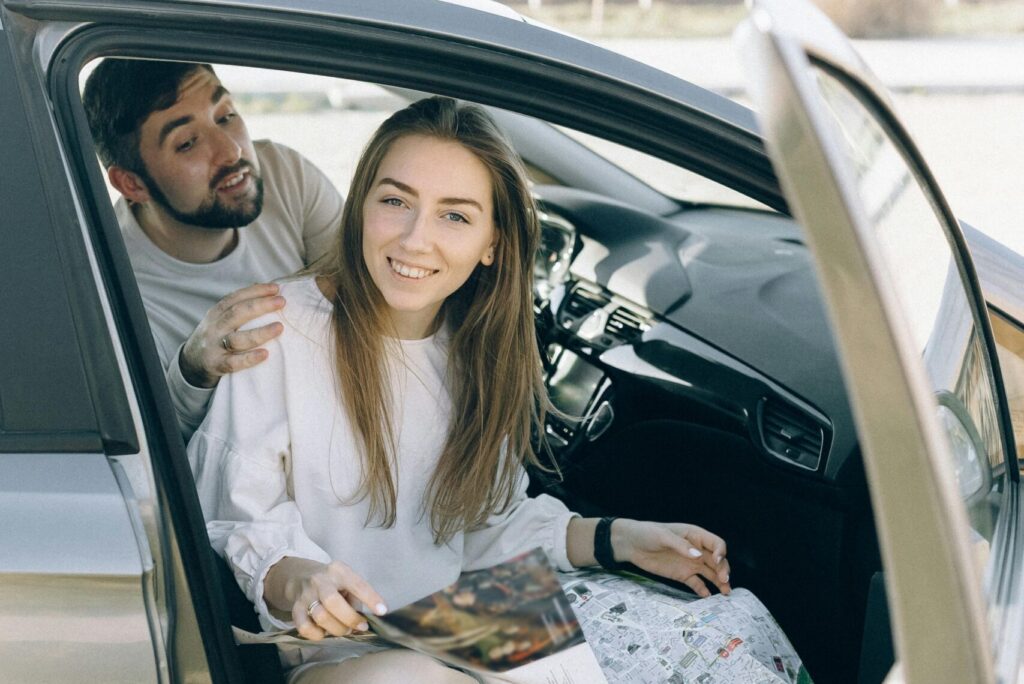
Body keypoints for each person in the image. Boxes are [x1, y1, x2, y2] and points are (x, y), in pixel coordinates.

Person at [188, 96, 801, 683]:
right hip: (338, 650)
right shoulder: (277, 329)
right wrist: (303, 580)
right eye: (396, 201)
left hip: (467, 621)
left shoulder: (476, 348)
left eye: (454, 215)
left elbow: (487, 526)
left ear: (492, 245)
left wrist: (620, 539)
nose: (413, 239)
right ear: (360, 205)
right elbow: (234, 517)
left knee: (720, 641)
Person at [83, 59, 344, 438]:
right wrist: (192, 374)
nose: (232, 151)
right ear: (132, 184)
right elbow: (154, 458)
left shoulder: (286, 174)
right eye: (187, 143)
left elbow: (362, 307)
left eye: (226, 116)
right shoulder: (110, 294)